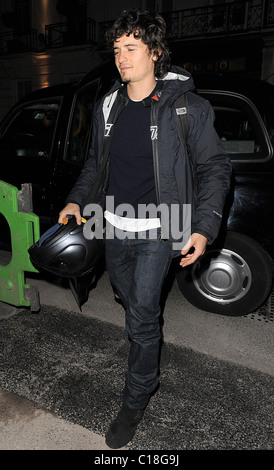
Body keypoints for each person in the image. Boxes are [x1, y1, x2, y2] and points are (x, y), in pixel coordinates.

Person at [58, 9, 232, 448]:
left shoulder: (187, 107)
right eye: (116, 49)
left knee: (141, 315)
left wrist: (204, 226)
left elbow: (214, 167)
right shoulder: (108, 106)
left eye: (130, 48)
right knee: (125, 293)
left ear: (154, 53)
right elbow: (96, 165)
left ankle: (137, 396)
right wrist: (77, 199)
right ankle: (140, 321)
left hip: (161, 227)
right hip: (112, 225)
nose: (121, 57)